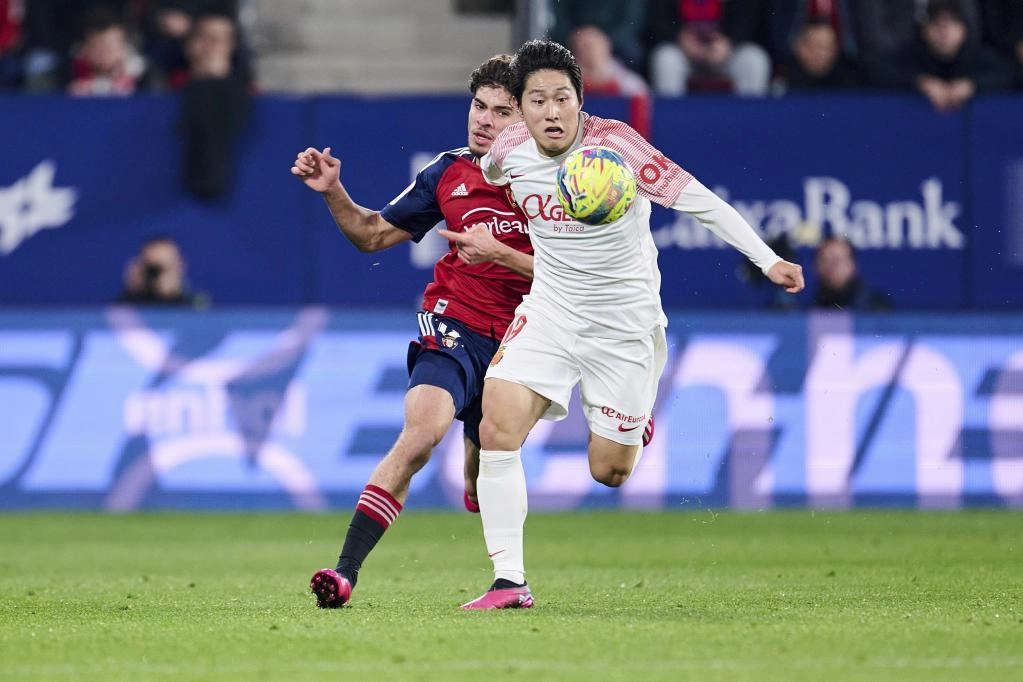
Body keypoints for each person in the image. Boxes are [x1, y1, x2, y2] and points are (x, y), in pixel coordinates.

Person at [461, 39, 804, 610]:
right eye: (538, 100)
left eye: (563, 99)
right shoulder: (507, 150)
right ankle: (509, 582)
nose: (552, 112)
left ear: (581, 100)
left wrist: (767, 259)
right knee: (496, 423)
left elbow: (701, 202)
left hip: (623, 324)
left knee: (610, 471)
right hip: (550, 309)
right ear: (520, 107)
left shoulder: (616, 147)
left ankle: (633, 420)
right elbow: (490, 171)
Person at [292, 55, 536, 609]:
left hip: (524, 339)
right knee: (421, 435)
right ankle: (345, 572)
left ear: (525, 120)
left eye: (502, 112)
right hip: (454, 324)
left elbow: (573, 272)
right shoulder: (449, 172)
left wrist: (500, 253)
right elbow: (373, 234)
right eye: (479, 107)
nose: (485, 121)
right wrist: (333, 190)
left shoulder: (553, 182)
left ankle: (482, 483)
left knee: (481, 474)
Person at [868, 0, 1011, 110]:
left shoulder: (977, 55)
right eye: (937, 24)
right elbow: (878, 70)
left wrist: (971, 85)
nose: (944, 32)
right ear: (924, 31)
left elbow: (1008, 73)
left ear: (964, 30)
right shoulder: (913, 55)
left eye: (952, 23)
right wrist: (922, 82)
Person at [177, 12, 251, 200]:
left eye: (221, 40)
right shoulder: (162, 82)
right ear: (191, 44)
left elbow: (234, 124)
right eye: (207, 38)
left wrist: (221, 81)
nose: (212, 47)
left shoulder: (246, 91)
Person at [644, 0, 773, 96]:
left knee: (753, 59)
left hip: (727, 52)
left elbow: (751, 19)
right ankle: (672, 120)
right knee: (665, 58)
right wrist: (679, 37)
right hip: (682, 52)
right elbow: (656, 20)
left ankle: (749, 122)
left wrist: (729, 43)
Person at [780, 17, 862, 92]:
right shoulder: (781, 83)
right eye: (816, 46)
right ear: (798, 46)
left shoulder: (852, 86)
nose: (821, 54)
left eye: (827, 47)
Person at [812, 236, 891, 310]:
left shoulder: (877, 308)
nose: (832, 266)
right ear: (816, 266)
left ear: (852, 264)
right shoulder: (808, 310)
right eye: (825, 260)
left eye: (838, 260)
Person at [117, 235, 200, 306]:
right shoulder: (126, 307)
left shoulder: (195, 304)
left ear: (180, 267)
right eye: (152, 269)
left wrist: (173, 296)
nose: (157, 275)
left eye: (165, 268)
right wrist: (131, 290)